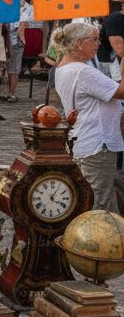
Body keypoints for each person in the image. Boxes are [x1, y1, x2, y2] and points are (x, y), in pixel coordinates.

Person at [51, 21, 124, 212]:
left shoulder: (64, 68)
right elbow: (121, 91)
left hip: (85, 139)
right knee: (97, 204)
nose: (98, 43)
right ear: (79, 43)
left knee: (101, 200)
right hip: (98, 142)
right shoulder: (82, 71)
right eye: (94, 39)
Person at [96, 0, 124, 80]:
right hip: (116, 70)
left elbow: (120, 50)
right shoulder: (114, 17)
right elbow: (120, 50)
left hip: (114, 71)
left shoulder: (112, 18)